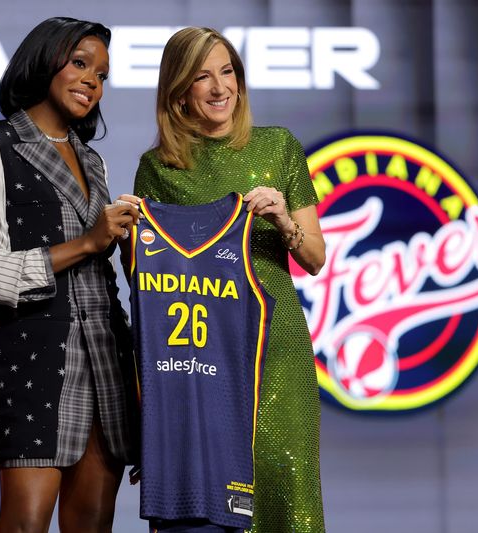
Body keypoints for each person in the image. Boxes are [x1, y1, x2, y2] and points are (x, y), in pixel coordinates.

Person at [0, 17, 140, 533]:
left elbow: (100, 271)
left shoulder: (92, 161)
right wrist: (85, 243)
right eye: (80, 63)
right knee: (25, 524)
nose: (91, 81)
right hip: (33, 359)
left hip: (106, 359)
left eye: (102, 74)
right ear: (44, 60)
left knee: (94, 525)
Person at [132, 27, 327, 532]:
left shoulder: (278, 147)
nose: (220, 88)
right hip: (203, 355)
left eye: (227, 72)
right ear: (178, 92)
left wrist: (284, 221)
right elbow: (152, 276)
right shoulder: (158, 168)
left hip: (277, 347)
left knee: (285, 480)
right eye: (202, 77)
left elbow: (315, 257)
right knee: (214, 489)